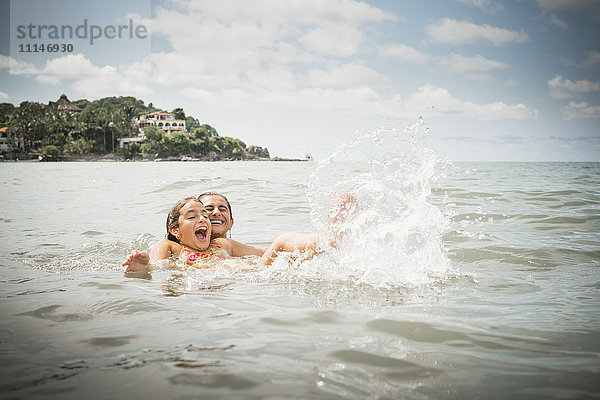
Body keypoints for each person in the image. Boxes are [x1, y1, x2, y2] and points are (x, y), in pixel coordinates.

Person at [123, 196, 262, 273]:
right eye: (191, 217)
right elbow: (156, 267)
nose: (202, 219)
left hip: (233, 286)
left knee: (283, 241)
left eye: (205, 217)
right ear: (175, 230)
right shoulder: (170, 247)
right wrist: (144, 267)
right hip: (193, 291)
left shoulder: (222, 245)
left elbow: (262, 253)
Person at [198, 191, 264, 255]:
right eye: (209, 209)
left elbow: (264, 252)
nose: (217, 212)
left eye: (222, 209)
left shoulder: (226, 245)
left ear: (231, 223)